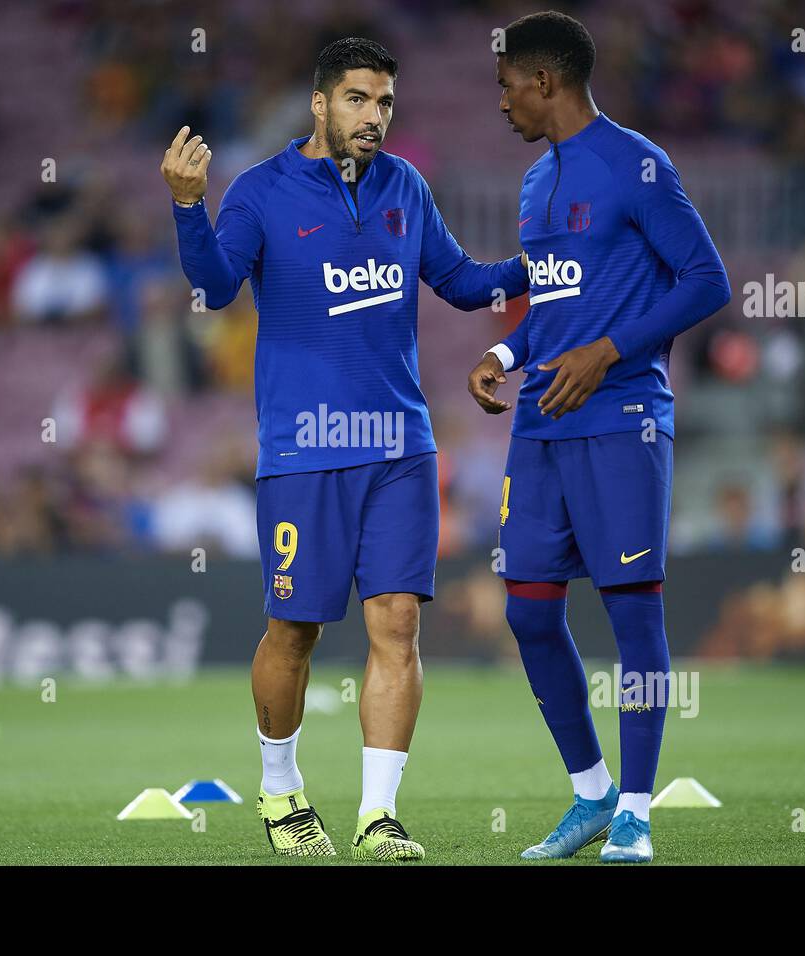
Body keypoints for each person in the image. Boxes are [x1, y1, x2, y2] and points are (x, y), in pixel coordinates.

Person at [164, 37, 528, 860]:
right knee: (293, 631)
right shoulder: (261, 192)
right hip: (305, 451)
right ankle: (282, 791)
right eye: (359, 100)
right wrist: (189, 208)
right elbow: (216, 287)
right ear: (320, 104)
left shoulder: (406, 187)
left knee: (397, 625)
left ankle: (377, 815)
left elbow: (466, 282)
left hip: (401, 447)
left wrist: (545, 263)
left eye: (386, 103)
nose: (375, 117)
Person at [467, 11, 730, 863]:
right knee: (528, 613)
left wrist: (612, 350)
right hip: (542, 422)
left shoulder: (636, 165)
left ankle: (638, 811)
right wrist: (507, 350)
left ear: (545, 81)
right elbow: (555, 298)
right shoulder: (535, 184)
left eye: (507, 85)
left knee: (631, 617)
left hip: (622, 419)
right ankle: (589, 794)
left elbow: (707, 281)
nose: (500, 101)